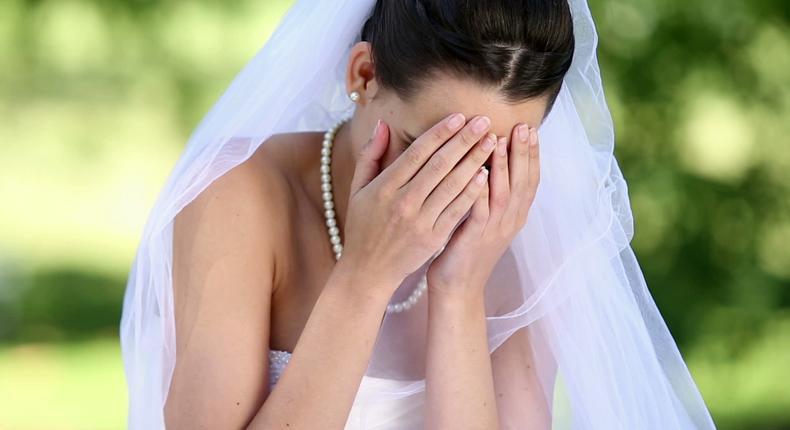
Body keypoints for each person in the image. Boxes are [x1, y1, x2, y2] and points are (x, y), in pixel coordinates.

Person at [120, 0, 718, 429]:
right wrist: (364, 280)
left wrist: (460, 292)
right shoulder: (239, 194)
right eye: (428, 150)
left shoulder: (519, 233)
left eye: (491, 157)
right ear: (364, 74)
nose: (456, 190)